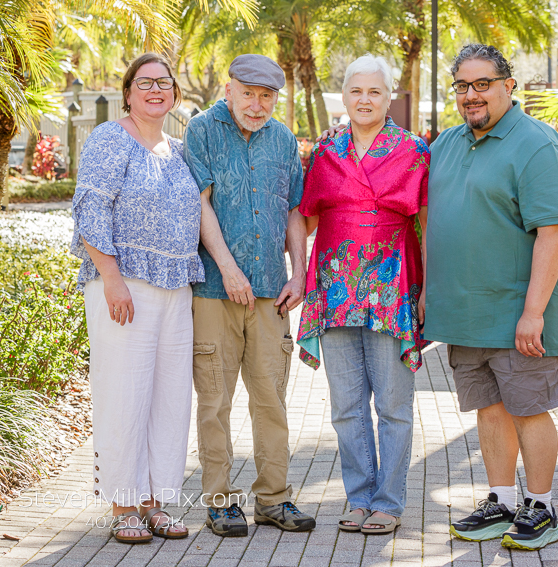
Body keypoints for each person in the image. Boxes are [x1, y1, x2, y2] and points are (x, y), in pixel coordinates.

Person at [424, 43, 558, 551]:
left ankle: (542, 507)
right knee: (488, 409)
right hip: (466, 313)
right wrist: (428, 291)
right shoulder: (447, 143)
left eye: (482, 84)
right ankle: (500, 500)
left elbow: (552, 233)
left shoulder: (537, 143)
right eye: (462, 86)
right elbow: (432, 221)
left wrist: (533, 312)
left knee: (529, 408)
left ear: (509, 86)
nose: (472, 95)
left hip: (519, 312)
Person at [70, 53, 204, 543]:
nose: (154, 90)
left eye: (163, 83)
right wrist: (111, 276)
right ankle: (123, 504)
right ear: (128, 93)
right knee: (125, 394)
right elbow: (90, 208)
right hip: (123, 287)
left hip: (175, 288)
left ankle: (155, 502)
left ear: (174, 93)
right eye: (144, 82)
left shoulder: (177, 148)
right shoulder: (110, 138)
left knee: (169, 397)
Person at [182, 54, 315, 537]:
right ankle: (220, 502)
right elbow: (198, 204)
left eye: (267, 97)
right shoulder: (201, 131)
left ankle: (274, 500)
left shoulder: (282, 139)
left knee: (271, 400)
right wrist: (228, 268)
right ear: (228, 88)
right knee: (215, 400)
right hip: (216, 290)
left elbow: (295, 210)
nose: (257, 105)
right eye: (248, 94)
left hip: (269, 293)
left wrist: (300, 273)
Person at [297, 55, 429, 535]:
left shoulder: (414, 149)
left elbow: (426, 222)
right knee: (346, 407)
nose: (365, 100)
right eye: (357, 91)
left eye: (375, 91)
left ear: (389, 96)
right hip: (333, 291)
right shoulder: (326, 150)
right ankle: (358, 498)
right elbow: (305, 216)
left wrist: (427, 288)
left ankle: (388, 503)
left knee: (393, 406)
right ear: (345, 96)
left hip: (391, 290)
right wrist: (297, 273)